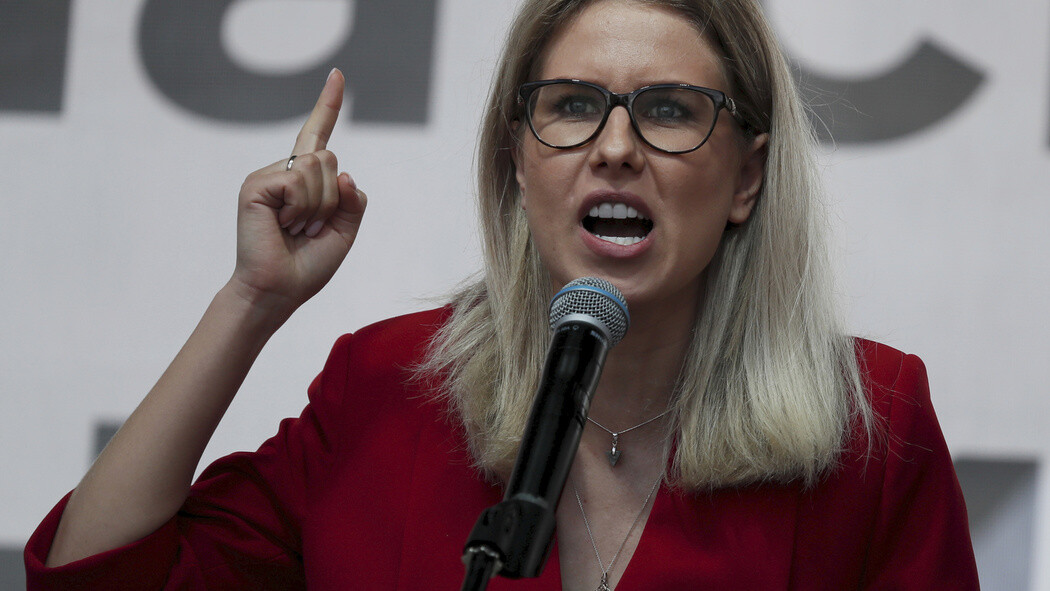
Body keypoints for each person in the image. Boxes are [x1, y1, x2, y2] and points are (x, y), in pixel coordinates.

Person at [25, 0, 979, 588]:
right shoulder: (385, 384)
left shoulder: (874, 422)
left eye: (669, 110)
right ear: (518, 161)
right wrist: (251, 299)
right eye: (572, 106)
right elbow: (93, 578)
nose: (615, 147)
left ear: (746, 178)